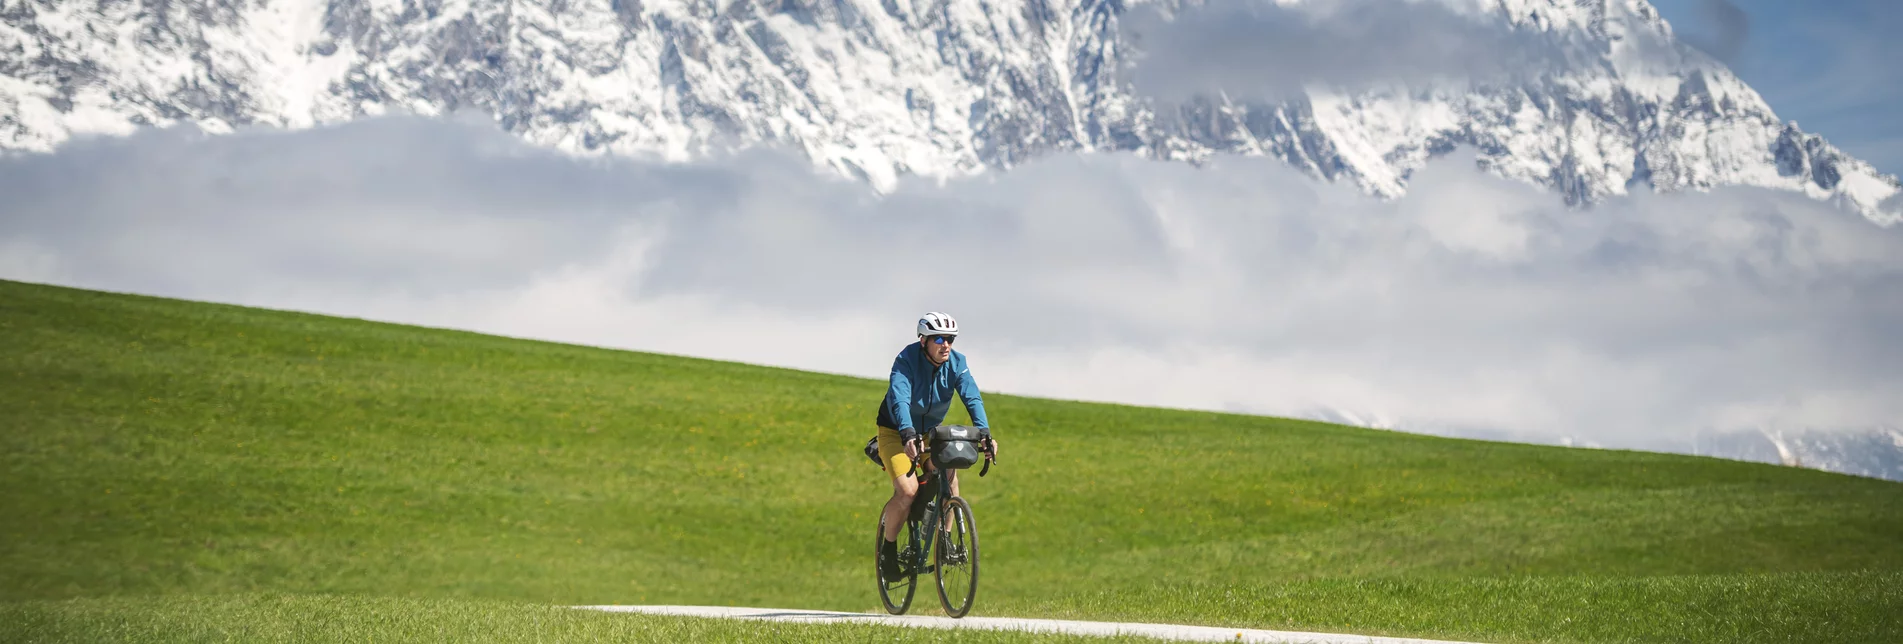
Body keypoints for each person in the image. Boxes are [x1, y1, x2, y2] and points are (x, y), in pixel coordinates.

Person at [875, 311, 998, 578]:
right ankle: (888, 549)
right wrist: (907, 434)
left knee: (950, 470)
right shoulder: (905, 361)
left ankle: (946, 541)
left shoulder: (957, 363)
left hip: (929, 432)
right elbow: (900, 401)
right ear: (923, 341)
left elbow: (972, 397)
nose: (946, 345)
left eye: (950, 339)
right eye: (939, 338)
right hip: (896, 431)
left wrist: (985, 433)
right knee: (907, 492)